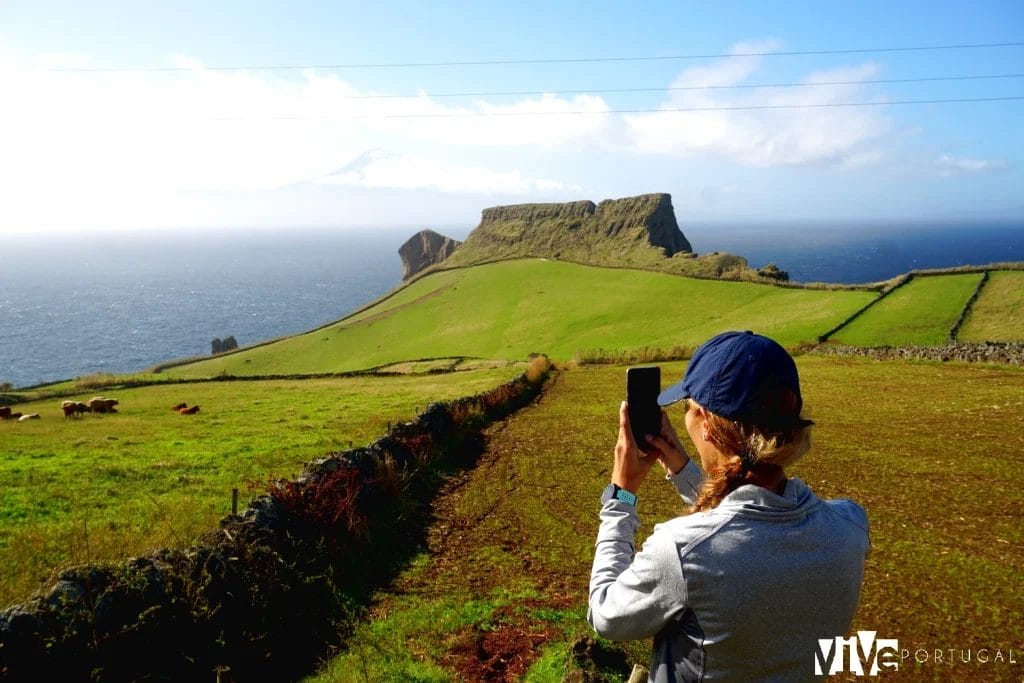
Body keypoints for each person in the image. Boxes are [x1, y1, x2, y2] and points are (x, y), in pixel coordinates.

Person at [588, 331, 869, 682]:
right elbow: (746, 523)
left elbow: (606, 614)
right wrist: (682, 470)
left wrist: (622, 495)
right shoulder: (850, 527)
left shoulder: (681, 552)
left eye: (688, 408)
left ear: (705, 423)